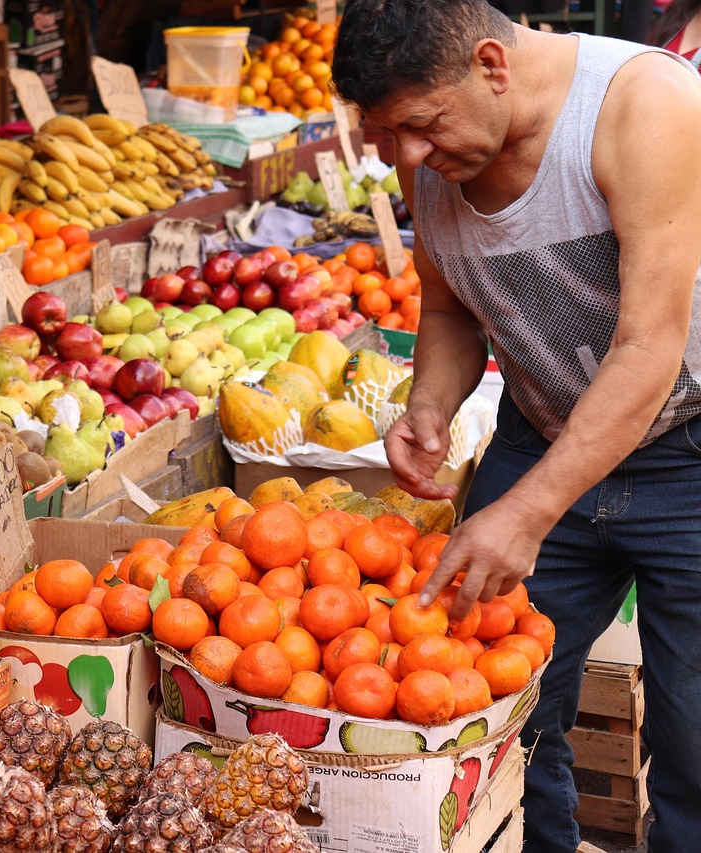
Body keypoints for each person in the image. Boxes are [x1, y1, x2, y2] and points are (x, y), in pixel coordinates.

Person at [330, 2, 701, 851]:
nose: (411, 159)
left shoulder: (645, 105)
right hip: (541, 433)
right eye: (390, 138)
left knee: (696, 738)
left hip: (688, 452)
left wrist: (527, 512)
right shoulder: (423, 145)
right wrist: (429, 404)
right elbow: (451, 306)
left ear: (493, 64)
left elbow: (648, 347)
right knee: (494, 712)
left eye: (422, 127)